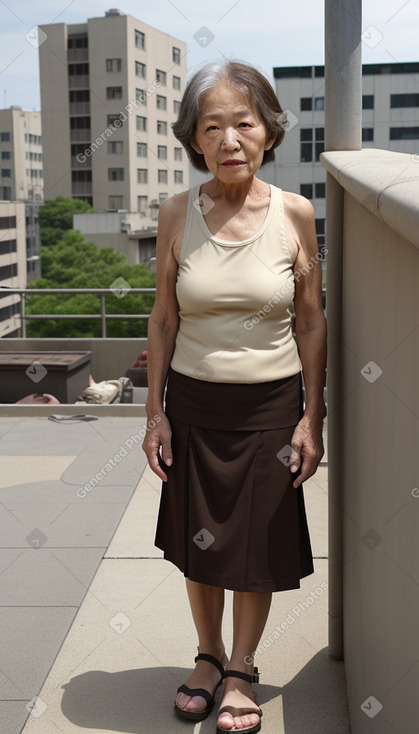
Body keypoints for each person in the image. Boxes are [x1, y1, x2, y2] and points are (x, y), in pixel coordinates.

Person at [143, 60, 327, 734]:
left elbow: (309, 318)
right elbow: (163, 319)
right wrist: (154, 411)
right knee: (201, 546)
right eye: (211, 126)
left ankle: (241, 668)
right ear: (194, 139)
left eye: (242, 124)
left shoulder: (294, 215)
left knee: (253, 546)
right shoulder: (173, 215)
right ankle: (207, 655)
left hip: (270, 407)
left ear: (268, 132)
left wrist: (313, 415)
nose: (228, 140)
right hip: (193, 406)